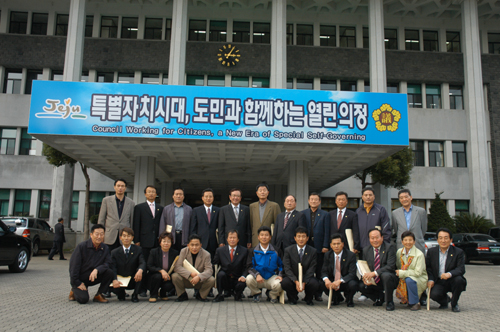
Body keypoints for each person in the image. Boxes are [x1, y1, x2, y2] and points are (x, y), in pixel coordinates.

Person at [69, 224, 114, 304]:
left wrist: (97, 269)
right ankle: (73, 290)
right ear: (91, 235)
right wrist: (77, 282)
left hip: (94, 276)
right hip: (81, 278)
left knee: (109, 272)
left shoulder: (105, 248)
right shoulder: (82, 247)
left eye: (102, 234)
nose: (99, 237)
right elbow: (73, 267)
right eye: (97, 234)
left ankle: (99, 295)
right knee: (83, 299)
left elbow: (108, 263)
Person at [133, 185, 164, 296]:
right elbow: (136, 225)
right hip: (144, 241)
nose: (151, 194)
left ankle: (153, 288)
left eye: (153, 192)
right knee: (143, 265)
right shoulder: (139, 207)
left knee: (154, 266)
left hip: (156, 242)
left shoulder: (161, 208)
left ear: (156, 194)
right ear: (145, 194)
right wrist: (136, 240)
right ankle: (142, 289)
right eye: (149, 192)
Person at [426, 228, 466, 312]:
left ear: (451, 240)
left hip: (452, 279)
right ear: (437, 240)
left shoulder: (458, 252)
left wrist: (449, 274)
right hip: (439, 280)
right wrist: (430, 279)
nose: (443, 240)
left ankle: (454, 304)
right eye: (440, 238)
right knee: (434, 294)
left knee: (459, 280)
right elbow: (428, 268)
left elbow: (461, 269)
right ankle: (445, 301)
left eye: (446, 238)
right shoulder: (431, 252)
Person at [358, 228, 398, 311]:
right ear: (369, 239)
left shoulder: (390, 247)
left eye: (377, 237)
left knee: (386, 275)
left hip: (388, 278)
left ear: (382, 238)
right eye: (372, 238)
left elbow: (390, 266)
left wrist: (375, 273)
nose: (375, 240)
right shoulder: (366, 250)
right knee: (360, 285)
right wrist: (365, 277)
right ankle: (380, 297)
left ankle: (389, 301)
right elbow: (365, 267)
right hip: (374, 279)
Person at [301, 192, 329, 301]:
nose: (313, 201)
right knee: (307, 270)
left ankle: (318, 294)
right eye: (311, 199)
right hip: (307, 246)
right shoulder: (303, 213)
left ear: (319, 201)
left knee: (319, 270)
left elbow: (327, 231)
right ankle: (307, 294)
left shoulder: (325, 214)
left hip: (319, 246)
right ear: (308, 201)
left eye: (316, 199)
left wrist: (325, 245)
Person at [171, 234, 215, 302]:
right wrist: (190, 274)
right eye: (192, 245)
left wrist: (199, 276)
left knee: (211, 280)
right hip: (187, 279)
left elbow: (209, 270)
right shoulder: (183, 251)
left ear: (200, 245)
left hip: (199, 280)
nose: (194, 247)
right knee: (174, 276)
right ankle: (182, 295)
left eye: (197, 245)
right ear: (188, 245)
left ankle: (201, 295)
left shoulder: (206, 254)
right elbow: (177, 267)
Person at [281, 227, 319, 305]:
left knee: (314, 283)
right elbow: (287, 268)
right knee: (285, 282)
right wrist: (296, 281)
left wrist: (304, 281)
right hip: (293, 276)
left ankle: (308, 298)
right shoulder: (288, 250)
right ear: (295, 238)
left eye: (303, 236)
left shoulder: (313, 251)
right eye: (298, 236)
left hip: (306, 276)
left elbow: (312, 268)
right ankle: (292, 298)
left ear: (307, 238)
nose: (301, 239)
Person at [245, 226, 283, 304]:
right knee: (248, 279)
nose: (264, 237)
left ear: (270, 237)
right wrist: (257, 274)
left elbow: (282, 265)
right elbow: (249, 266)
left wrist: (280, 275)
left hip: (271, 277)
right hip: (258, 278)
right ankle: (256, 293)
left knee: (281, 283)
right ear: (258, 237)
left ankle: (271, 295)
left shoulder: (276, 251)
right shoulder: (253, 251)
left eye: (266, 235)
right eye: (262, 235)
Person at [321, 233, 358, 307]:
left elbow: (352, 273)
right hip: (333, 280)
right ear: (331, 245)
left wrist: (340, 281)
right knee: (321, 283)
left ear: (343, 244)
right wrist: (326, 280)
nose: (336, 246)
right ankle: (336, 297)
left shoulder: (351, 255)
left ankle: (349, 299)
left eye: (338, 243)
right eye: (334, 244)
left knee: (353, 284)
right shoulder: (327, 255)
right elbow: (324, 271)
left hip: (345, 280)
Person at [98, 179, 135, 251]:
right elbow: (101, 219)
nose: (120, 188)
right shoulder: (106, 200)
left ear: (125, 188)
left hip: (124, 237)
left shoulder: (131, 203)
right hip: (109, 236)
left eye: (122, 186)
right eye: (118, 186)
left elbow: (132, 220)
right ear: (114, 187)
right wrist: (101, 235)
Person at [110, 227, 146, 302]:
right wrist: (114, 279)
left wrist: (140, 270)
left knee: (142, 272)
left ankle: (135, 295)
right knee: (119, 295)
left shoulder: (138, 249)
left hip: (133, 278)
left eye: (129, 236)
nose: (126, 238)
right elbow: (113, 268)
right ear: (120, 238)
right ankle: (121, 293)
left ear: (132, 238)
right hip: (120, 279)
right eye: (124, 236)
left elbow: (142, 262)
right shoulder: (114, 252)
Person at [395, 231, 428, 311]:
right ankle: (403, 299)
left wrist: (402, 273)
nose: (408, 242)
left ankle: (415, 303)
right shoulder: (399, 252)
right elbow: (398, 265)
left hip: (419, 277)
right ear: (402, 242)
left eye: (410, 240)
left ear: (414, 241)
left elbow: (418, 273)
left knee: (409, 280)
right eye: (405, 240)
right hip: (404, 274)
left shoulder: (419, 254)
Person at [354, 187, 391, 258]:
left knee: (376, 268)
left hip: (378, 248)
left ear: (374, 196)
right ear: (362, 197)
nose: (368, 197)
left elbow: (386, 228)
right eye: (366, 195)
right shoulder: (358, 211)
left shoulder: (381, 210)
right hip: (362, 248)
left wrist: (385, 245)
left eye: (370, 195)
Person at [212, 230, 248, 302]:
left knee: (243, 282)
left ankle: (238, 294)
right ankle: (220, 294)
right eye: (230, 237)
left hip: (238, 277)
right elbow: (215, 263)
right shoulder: (220, 250)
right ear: (227, 239)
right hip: (226, 277)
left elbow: (246, 266)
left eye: (234, 238)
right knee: (220, 274)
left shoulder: (244, 251)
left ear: (238, 239)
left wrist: (244, 276)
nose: (232, 240)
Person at [392, 188, 427, 254]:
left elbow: (424, 229)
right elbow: (396, 229)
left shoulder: (421, 211)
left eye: (406, 197)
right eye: (401, 198)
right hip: (402, 245)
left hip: (417, 244)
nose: (404, 199)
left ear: (411, 197)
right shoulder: (395, 213)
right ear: (399, 200)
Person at [147, 232, 179, 303]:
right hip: (155, 276)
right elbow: (149, 265)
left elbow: (177, 267)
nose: (166, 243)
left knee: (170, 283)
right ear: (160, 242)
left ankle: (162, 293)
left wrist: (169, 275)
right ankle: (153, 295)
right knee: (157, 276)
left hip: (167, 277)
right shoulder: (154, 252)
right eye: (164, 241)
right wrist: (161, 271)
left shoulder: (175, 253)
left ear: (171, 243)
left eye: (168, 241)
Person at [159, 187, 192, 252]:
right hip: (170, 235)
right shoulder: (167, 209)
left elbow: (191, 225)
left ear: (183, 196)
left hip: (184, 235)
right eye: (176, 194)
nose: (178, 196)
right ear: (173, 196)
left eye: (180, 194)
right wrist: (162, 237)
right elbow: (162, 223)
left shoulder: (189, 209)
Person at [190, 188, 220, 259]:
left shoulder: (218, 210)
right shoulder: (196, 210)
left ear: (213, 198)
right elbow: (193, 228)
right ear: (202, 198)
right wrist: (193, 241)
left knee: (212, 262)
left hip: (214, 242)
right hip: (200, 242)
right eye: (206, 196)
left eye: (210, 196)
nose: (208, 198)